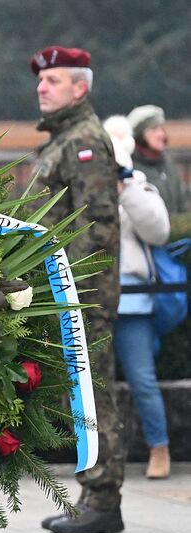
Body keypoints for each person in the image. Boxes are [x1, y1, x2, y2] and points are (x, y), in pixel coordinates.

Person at [30, 46, 124, 533]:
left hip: (82, 292)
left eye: (55, 80)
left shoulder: (84, 141)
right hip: (67, 292)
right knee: (81, 395)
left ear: (80, 88)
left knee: (95, 394)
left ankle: (103, 500)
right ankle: (92, 494)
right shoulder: (64, 140)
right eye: (42, 80)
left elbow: (97, 226)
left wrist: (76, 292)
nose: (42, 87)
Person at [104, 115, 172, 479]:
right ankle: (100, 454)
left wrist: (126, 185)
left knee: (142, 378)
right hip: (92, 298)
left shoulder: (139, 187)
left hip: (132, 300)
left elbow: (158, 231)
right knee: (93, 381)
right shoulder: (84, 189)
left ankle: (159, 448)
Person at [127, 105, 187, 216]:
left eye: (161, 128)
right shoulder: (130, 169)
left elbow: (182, 205)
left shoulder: (168, 163)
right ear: (140, 134)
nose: (161, 134)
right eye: (154, 129)